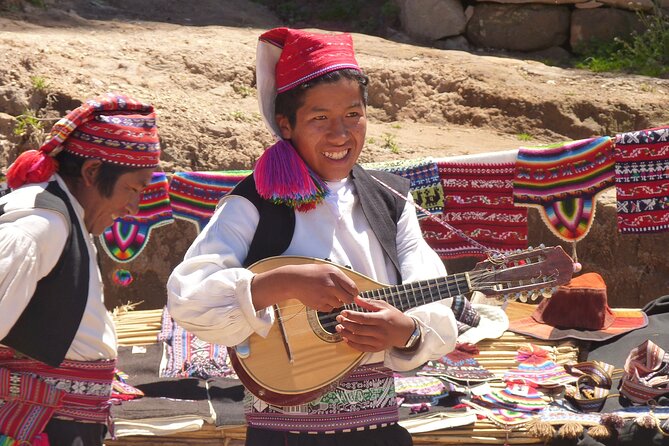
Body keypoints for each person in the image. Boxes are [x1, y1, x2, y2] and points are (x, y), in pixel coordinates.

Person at [167, 28, 459, 446]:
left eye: (353, 115)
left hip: (377, 432)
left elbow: (432, 300)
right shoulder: (252, 202)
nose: (341, 134)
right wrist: (280, 284)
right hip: (284, 436)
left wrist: (407, 332)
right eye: (320, 118)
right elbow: (188, 298)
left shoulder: (392, 200)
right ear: (286, 124)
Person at [0, 93, 161, 446]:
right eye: (132, 189)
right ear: (92, 172)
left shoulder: (68, 219)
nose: (133, 207)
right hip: (37, 426)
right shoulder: (38, 225)